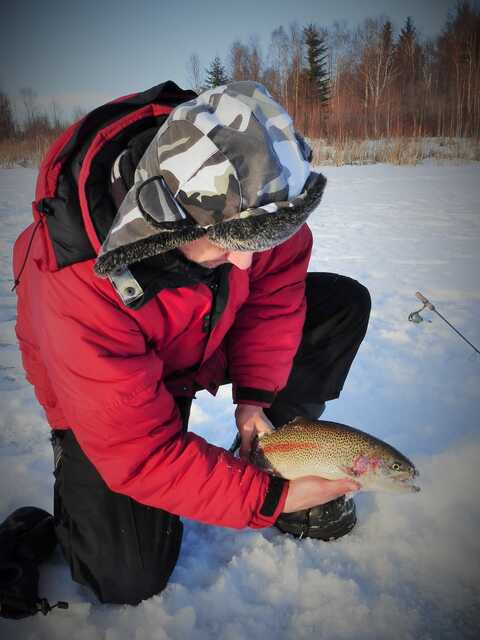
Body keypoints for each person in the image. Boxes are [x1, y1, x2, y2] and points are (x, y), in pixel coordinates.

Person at [12, 80, 371, 605]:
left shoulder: (255, 191)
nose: (248, 260)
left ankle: (276, 450)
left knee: (338, 306)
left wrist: (255, 398)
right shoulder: (76, 277)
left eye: (257, 243)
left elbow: (273, 298)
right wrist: (269, 501)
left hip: (203, 337)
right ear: (163, 223)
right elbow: (140, 452)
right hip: (107, 399)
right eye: (230, 245)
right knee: (127, 577)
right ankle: (80, 485)